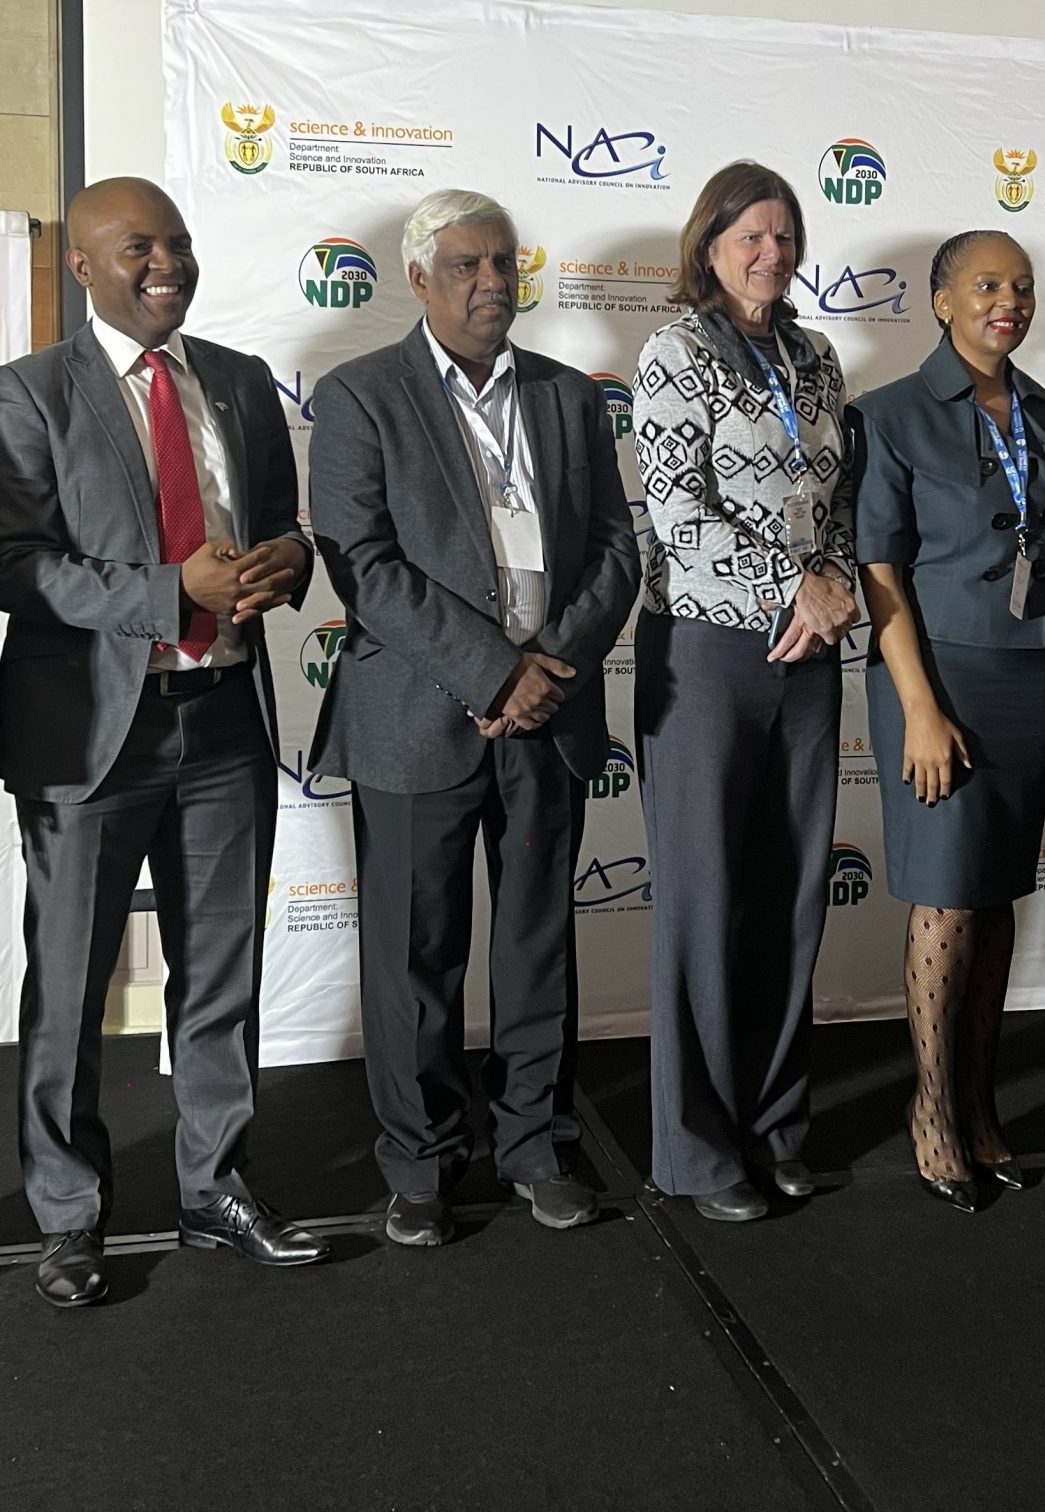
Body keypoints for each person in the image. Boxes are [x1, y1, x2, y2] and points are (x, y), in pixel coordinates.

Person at [0, 176, 325, 1307]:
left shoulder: (233, 379)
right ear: (83, 266)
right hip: (91, 735)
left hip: (224, 717)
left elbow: (281, 528)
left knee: (220, 973)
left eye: (176, 244)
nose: (165, 263)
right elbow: (11, 563)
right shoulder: (31, 392)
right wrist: (165, 587)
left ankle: (214, 1188)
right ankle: (71, 1219)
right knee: (70, 986)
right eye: (138, 248)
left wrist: (284, 565)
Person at [308, 189, 639, 1246]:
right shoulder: (361, 396)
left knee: (538, 942)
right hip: (419, 714)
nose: (491, 282)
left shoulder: (569, 398)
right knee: (415, 957)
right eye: (465, 265)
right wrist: (494, 672)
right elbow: (362, 566)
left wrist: (549, 665)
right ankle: (420, 1162)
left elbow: (616, 552)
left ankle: (536, 1142)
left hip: (551, 710)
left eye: (503, 263)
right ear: (418, 279)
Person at [631, 161, 860, 1223]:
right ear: (710, 243)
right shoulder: (677, 351)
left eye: (785, 236)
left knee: (790, 896)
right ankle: (695, 1147)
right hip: (711, 655)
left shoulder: (815, 358)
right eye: (750, 236)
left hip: (808, 659)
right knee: (706, 901)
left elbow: (840, 505)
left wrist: (836, 588)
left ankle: (775, 1125)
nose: (771, 253)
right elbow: (677, 518)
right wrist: (792, 584)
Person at [849, 230, 1045, 1212]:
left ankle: (980, 1107)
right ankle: (931, 1113)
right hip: (934, 677)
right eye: (986, 285)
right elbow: (879, 574)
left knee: (993, 900)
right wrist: (920, 712)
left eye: (1021, 288)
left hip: (1030, 678)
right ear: (940, 301)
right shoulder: (888, 416)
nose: (1007, 302)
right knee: (942, 897)